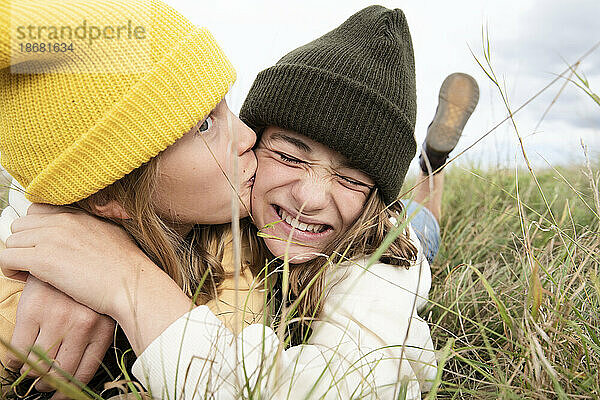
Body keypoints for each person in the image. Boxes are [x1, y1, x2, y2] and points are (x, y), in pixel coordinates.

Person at [1, 5, 479, 399]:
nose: (310, 197)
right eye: (289, 152)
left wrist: (127, 279)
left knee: (423, 224)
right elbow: (57, 171)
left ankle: (432, 163)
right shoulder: (227, 193)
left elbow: (354, 386)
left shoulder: (378, 251)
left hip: (388, 230)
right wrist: (59, 239)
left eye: (354, 179)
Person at [0, 0, 260, 397]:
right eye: (205, 126)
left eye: (226, 106)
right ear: (110, 193)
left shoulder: (258, 236)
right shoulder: (16, 315)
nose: (248, 137)